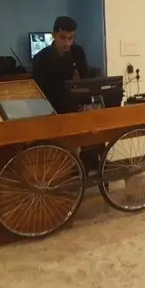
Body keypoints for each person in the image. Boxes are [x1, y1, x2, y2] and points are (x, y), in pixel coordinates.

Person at [32, 16, 101, 172]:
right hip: (52, 110)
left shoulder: (78, 52)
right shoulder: (40, 58)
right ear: (54, 35)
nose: (67, 43)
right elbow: (38, 90)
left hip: (75, 106)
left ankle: (85, 170)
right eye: (63, 38)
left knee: (90, 136)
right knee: (57, 152)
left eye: (71, 38)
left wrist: (83, 94)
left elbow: (86, 80)